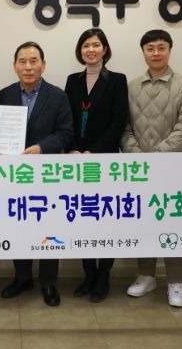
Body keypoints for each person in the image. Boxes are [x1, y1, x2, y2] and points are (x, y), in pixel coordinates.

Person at [121, 30, 182, 308]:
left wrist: (157, 157)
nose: (156, 53)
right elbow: (124, 128)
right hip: (140, 168)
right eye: (150, 48)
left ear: (169, 50)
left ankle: (176, 281)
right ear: (143, 52)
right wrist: (138, 156)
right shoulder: (131, 87)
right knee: (144, 221)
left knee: (173, 221)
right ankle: (146, 276)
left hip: (175, 167)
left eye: (161, 47)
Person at [0, 41, 73, 307]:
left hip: (47, 175)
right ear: (14, 66)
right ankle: (22, 278)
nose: (28, 67)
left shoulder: (58, 95)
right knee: (18, 226)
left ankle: (48, 282)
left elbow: (66, 132)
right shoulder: (5, 94)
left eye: (33, 61)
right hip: (15, 175)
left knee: (48, 229)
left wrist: (41, 148)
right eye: (22, 61)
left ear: (43, 64)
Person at [64, 28, 128, 302]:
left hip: (104, 159)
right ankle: (88, 273)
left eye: (96, 45)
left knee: (105, 220)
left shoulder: (117, 80)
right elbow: (67, 118)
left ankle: (103, 275)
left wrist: (94, 151)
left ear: (105, 49)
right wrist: (72, 149)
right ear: (80, 51)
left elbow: (119, 121)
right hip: (76, 160)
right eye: (86, 45)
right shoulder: (73, 80)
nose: (90, 50)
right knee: (83, 218)